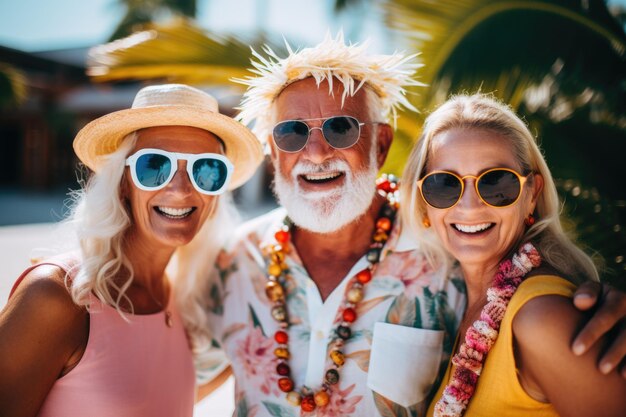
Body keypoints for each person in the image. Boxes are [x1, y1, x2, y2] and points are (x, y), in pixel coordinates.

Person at [201, 34, 626, 417]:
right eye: (291, 133)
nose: (315, 152)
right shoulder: (230, 261)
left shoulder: (447, 250)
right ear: (273, 152)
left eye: (342, 128)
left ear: (381, 143)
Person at [0, 84, 263, 417]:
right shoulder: (57, 296)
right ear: (123, 182)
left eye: (206, 170)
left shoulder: (178, 300)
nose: (181, 190)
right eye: (155, 166)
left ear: (216, 194)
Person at [400, 93, 626, 416]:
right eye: (444, 185)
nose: (469, 206)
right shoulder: (457, 303)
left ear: (531, 194)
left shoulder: (540, 317)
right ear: (424, 202)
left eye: (496, 183)